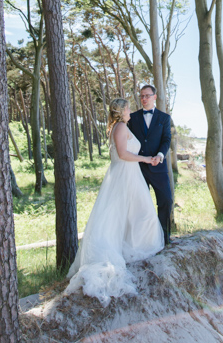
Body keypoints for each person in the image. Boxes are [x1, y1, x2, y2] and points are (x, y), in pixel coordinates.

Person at [65, 97, 164, 306]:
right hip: (124, 176)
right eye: (128, 109)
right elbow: (122, 154)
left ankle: (136, 245)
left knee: (137, 214)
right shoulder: (120, 127)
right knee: (128, 215)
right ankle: (125, 250)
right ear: (122, 111)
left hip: (130, 175)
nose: (131, 111)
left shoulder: (122, 126)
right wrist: (147, 159)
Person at [127, 84, 173, 244]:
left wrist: (160, 155)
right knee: (140, 205)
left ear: (154, 96)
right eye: (142, 96)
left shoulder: (164, 118)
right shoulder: (132, 118)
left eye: (147, 95)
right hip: (138, 168)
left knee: (166, 200)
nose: (144, 99)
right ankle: (143, 240)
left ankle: (164, 238)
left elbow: (166, 139)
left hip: (158, 167)